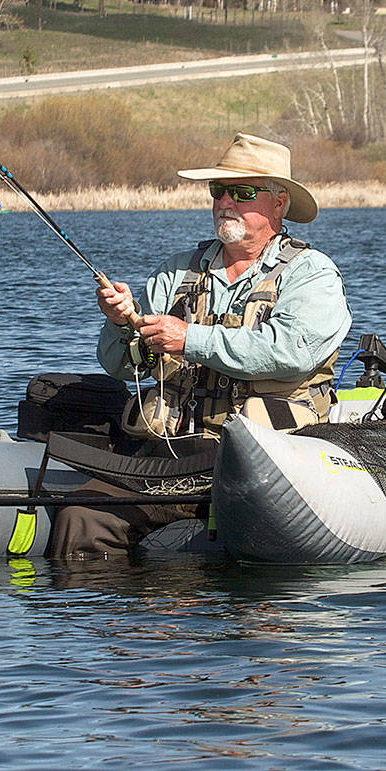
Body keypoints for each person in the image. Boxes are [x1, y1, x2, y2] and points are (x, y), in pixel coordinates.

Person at [47, 133, 352, 559]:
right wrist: (122, 323)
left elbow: (291, 351)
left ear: (279, 204)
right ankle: (119, 621)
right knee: (80, 515)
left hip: (269, 463)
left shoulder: (312, 275)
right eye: (218, 190)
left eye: (242, 191)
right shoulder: (176, 272)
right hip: (171, 457)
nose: (225, 201)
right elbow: (120, 366)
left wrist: (189, 338)